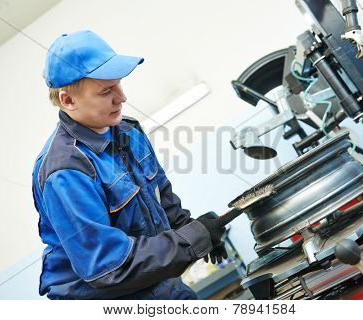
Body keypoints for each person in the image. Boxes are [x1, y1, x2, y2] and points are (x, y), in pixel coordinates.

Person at [32, 30, 227, 300]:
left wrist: (196, 230)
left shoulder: (127, 132)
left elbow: (163, 199)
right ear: (68, 100)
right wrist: (190, 241)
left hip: (158, 286)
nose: (121, 97)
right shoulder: (66, 171)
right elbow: (108, 267)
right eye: (106, 91)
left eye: (119, 84)